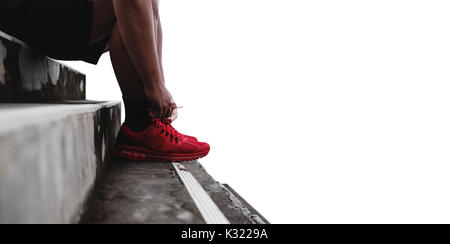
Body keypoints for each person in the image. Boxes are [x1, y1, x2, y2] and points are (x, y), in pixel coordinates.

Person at [0, 0, 210, 162]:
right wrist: (155, 87)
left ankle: (142, 122)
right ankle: (141, 124)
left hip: (40, 13)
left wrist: (160, 88)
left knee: (141, 7)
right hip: (22, 10)